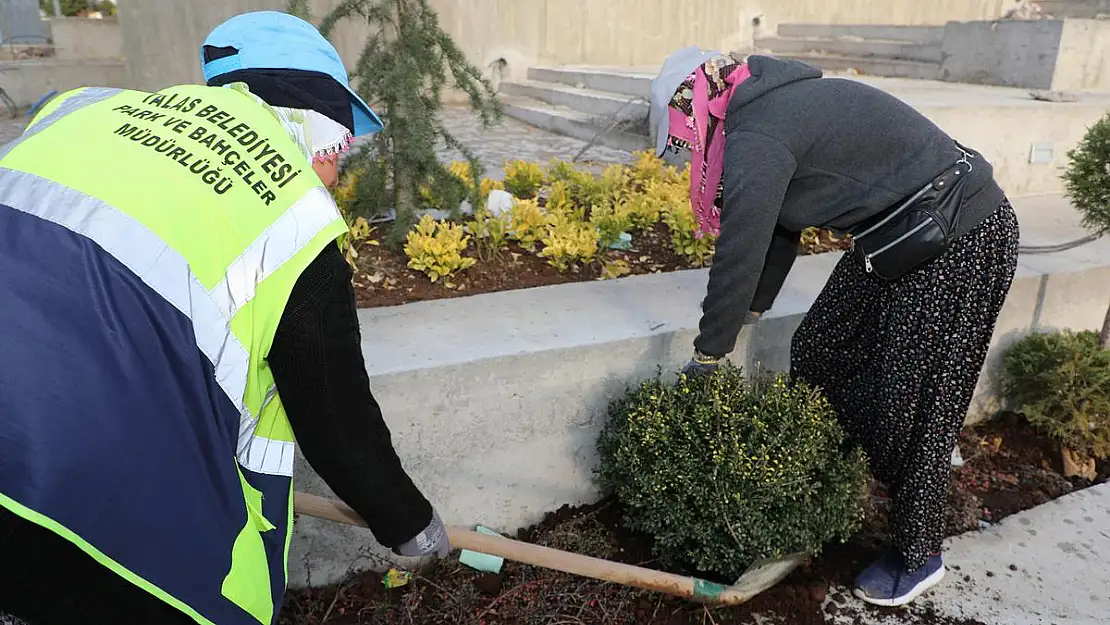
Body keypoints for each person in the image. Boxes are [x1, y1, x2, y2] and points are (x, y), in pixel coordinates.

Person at [0, 12, 448, 625]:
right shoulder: (289, 215)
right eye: (341, 148)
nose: (338, 176)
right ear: (312, 123)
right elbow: (336, 420)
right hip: (78, 496)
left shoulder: (83, 111)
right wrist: (411, 524)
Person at [651, 48, 1019, 607]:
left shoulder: (759, 133)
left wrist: (709, 355)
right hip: (901, 236)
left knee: (917, 402)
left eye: (683, 132)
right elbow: (777, 230)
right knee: (822, 344)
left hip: (960, 235)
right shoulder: (764, 112)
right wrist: (751, 314)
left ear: (695, 105)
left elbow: (741, 250)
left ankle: (918, 555)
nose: (685, 145)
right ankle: (840, 478)